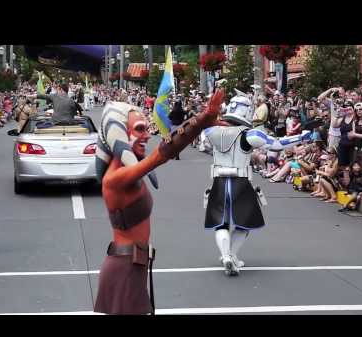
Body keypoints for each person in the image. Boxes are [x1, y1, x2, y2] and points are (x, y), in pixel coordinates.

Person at [93, 90, 225, 315]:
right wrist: (201, 120)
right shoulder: (115, 179)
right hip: (125, 267)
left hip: (134, 265)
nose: (146, 135)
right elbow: (161, 154)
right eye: (139, 129)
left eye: (147, 128)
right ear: (119, 134)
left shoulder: (126, 172)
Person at [203, 89, 311, 276]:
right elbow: (277, 144)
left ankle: (227, 256)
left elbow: (203, 144)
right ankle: (231, 255)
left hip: (219, 182)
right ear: (246, 111)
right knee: (244, 224)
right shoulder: (250, 134)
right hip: (240, 184)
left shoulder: (210, 132)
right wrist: (300, 137)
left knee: (221, 223)